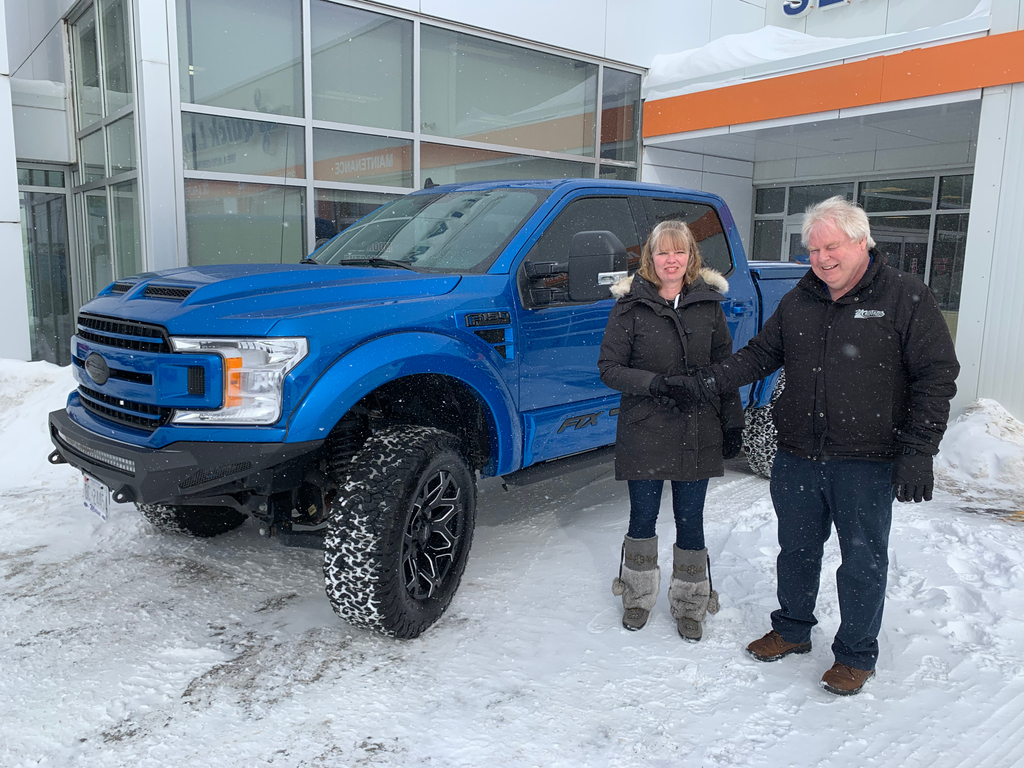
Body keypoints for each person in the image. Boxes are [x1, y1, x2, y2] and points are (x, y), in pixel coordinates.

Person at [669, 196, 959, 693]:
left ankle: (856, 654)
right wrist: (709, 381)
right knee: (796, 550)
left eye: (832, 247)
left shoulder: (904, 295)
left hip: (866, 459)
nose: (822, 259)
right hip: (799, 454)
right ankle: (792, 629)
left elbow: (936, 376)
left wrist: (919, 451)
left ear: (861, 241)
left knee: (862, 561)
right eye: (814, 250)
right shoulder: (800, 298)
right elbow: (761, 354)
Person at [598, 220, 744, 641]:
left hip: (697, 428)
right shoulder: (630, 306)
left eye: (679, 251)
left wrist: (732, 420)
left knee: (690, 520)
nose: (671, 260)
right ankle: (637, 597)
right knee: (642, 517)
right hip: (644, 428)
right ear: (651, 257)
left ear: (691, 256)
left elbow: (725, 368)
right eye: (663, 251)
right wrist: (656, 384)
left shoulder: (708, 305)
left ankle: (690, 604)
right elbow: (609, 368)